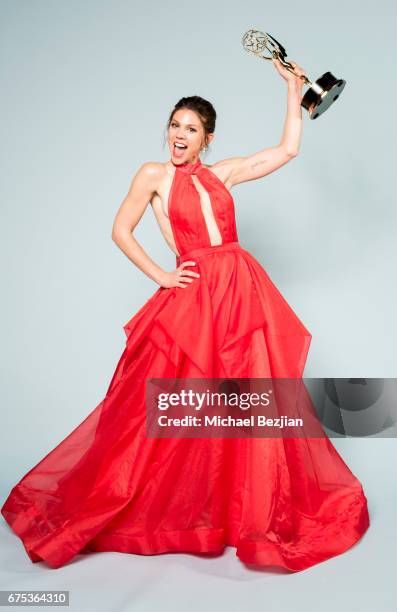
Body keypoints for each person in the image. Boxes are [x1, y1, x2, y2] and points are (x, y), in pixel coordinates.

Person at [1, 58, 370, 572]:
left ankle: (240, 511)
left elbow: (287, 149)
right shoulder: (152, 175)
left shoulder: (222, 174)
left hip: (241, 290)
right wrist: (161, 276)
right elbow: (120, 230)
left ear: (206, 139)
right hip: (195, 297)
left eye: (190, 129)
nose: (179, 135)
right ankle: (161, 505)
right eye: (174, 125)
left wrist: (291, 90)